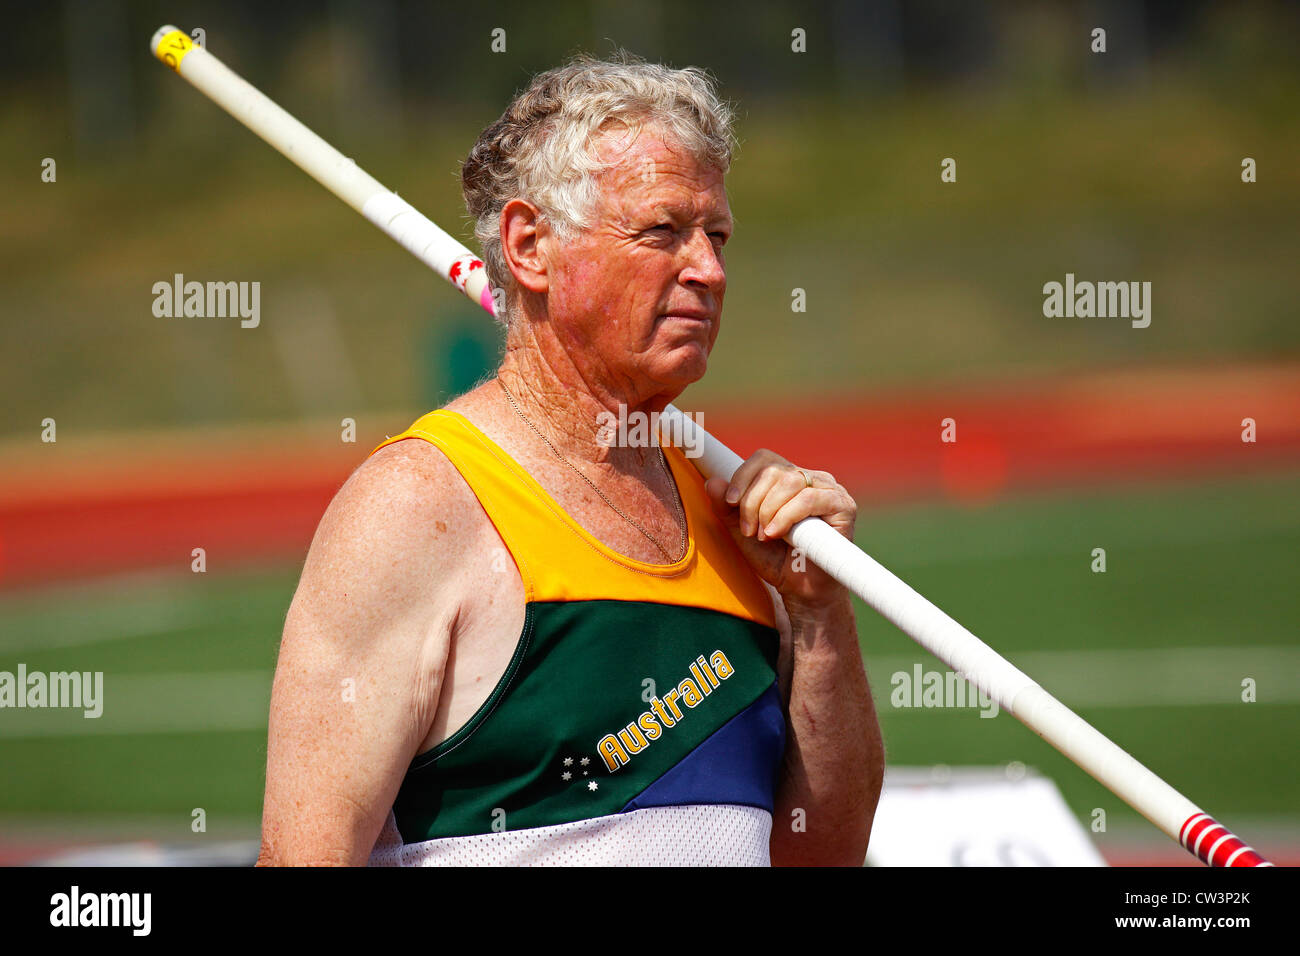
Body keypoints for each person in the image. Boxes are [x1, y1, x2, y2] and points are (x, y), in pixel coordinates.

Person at [257, 53, 884, 866]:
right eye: (663, 231)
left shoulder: (741, 516)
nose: (711, 270)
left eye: (717, 235)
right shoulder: (419, 506)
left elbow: (821, 856)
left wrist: (821, 616)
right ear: (530, 246)